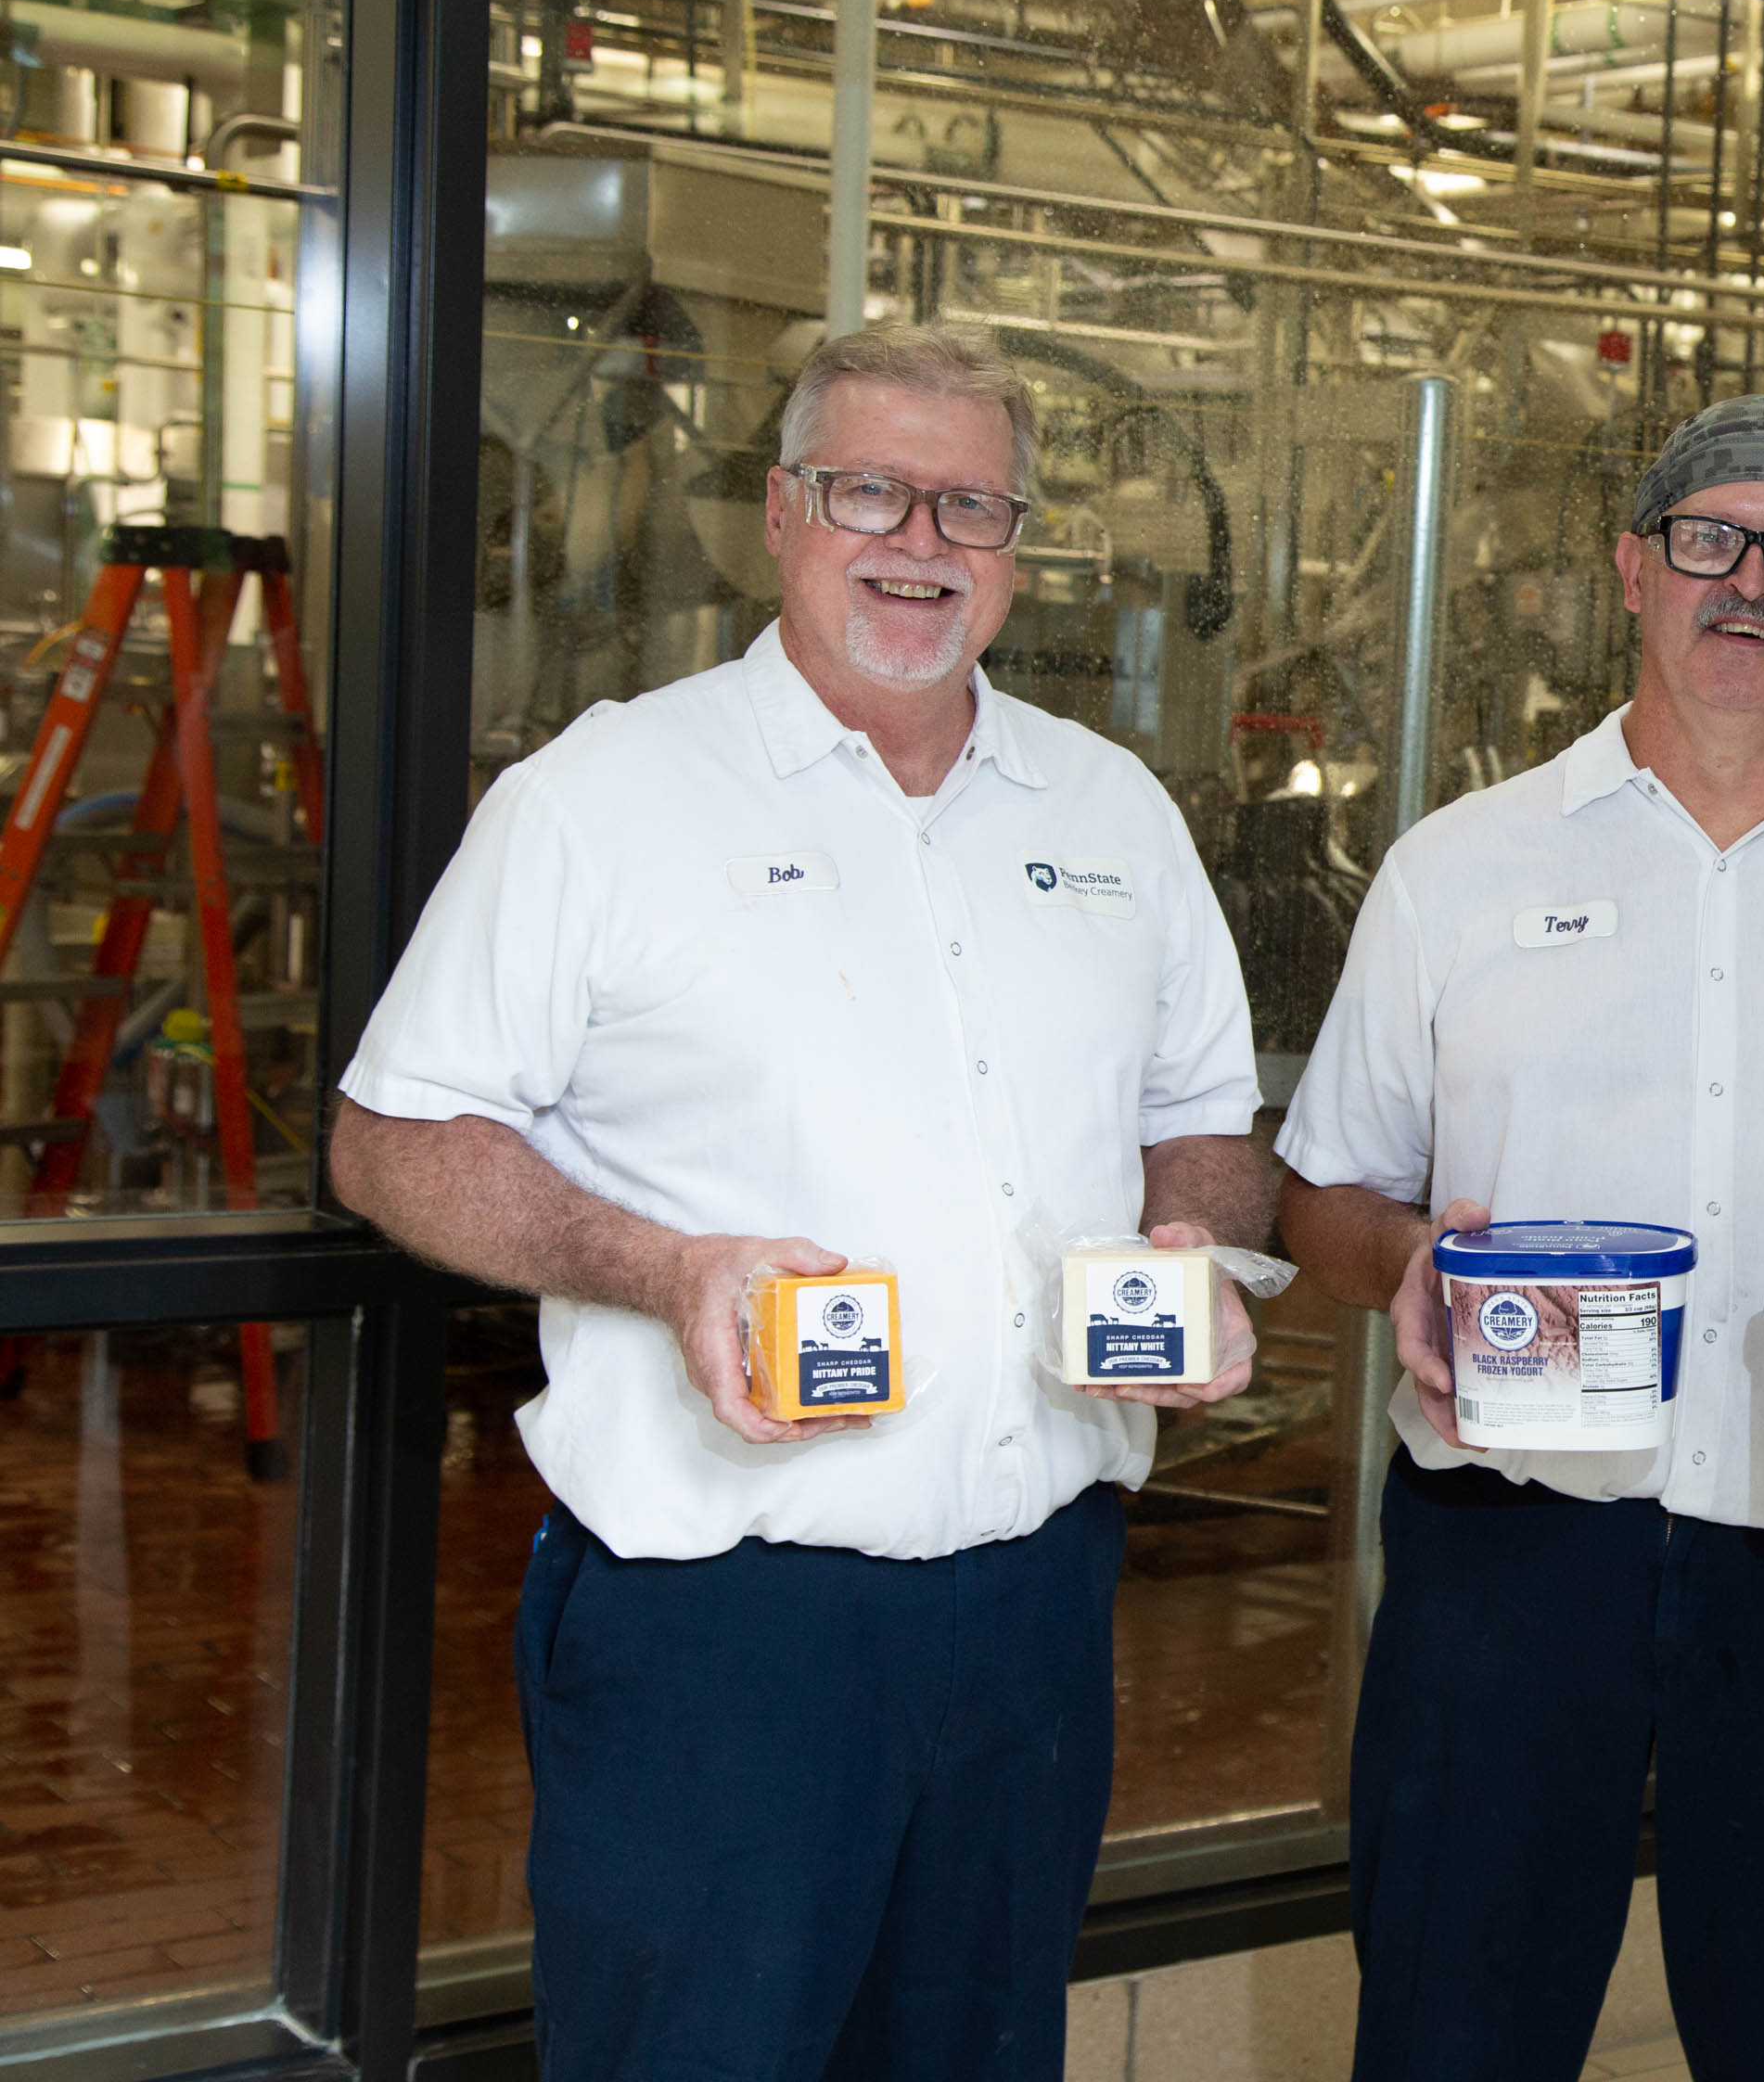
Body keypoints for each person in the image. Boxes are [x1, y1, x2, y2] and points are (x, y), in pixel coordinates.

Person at [329, 320, 1269, 2081]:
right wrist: (657, 1264)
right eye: (870, 491)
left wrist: (1192, 1246)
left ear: (1016, 546)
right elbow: (394, 1136)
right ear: (782, 511)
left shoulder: (1111, 809)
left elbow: (1203, 1116)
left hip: (1034, 1610)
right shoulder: (604, 800)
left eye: (971, 506)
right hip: (724, 1626)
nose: (920, 542)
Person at [1275, 396, 1764, 2082]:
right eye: (1710, 539)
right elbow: (1322, 1192)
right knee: (1452, 2031)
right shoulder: (1457, 871)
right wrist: (1407, 1267)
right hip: (1510, 1551)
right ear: (1633, 571)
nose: (1752, 581)